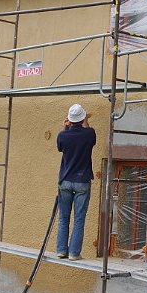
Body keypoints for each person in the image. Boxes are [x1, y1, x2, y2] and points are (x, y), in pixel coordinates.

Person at [55, 104, 96, 261]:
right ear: (83, 119)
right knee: (79, 218)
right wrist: (84, 120)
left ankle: (61, 250)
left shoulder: (62, 135)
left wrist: (65, 128)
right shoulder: (89, 134)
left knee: (63, 217)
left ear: (69, 120)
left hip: (65, 180)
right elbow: (87, 133)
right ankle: (73, 253)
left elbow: (61, 147)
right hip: (82, 181)